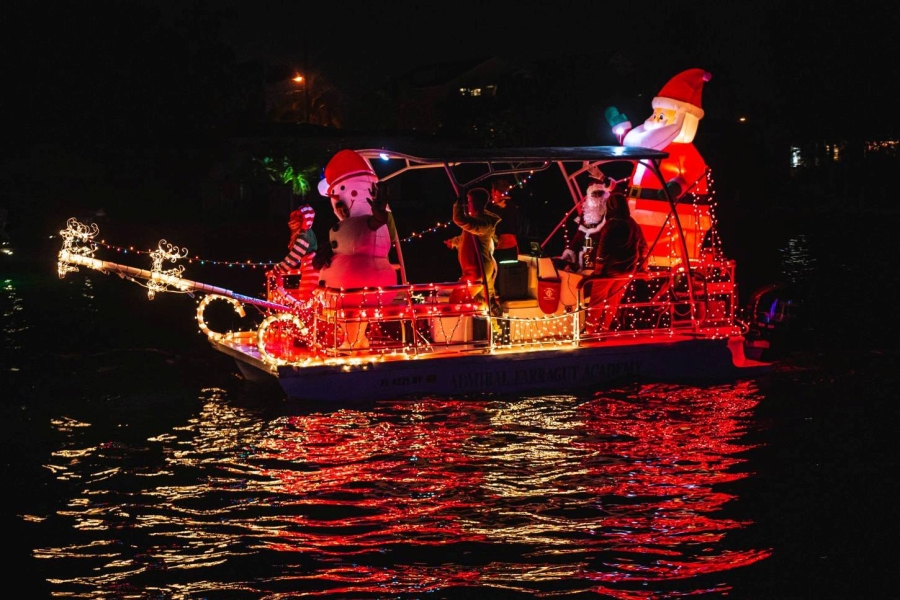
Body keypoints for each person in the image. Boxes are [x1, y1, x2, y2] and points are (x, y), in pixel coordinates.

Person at [583, 192, 648, 333]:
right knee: (613, 302)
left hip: (608, 272)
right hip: (627, 272)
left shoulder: (611, 225)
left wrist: (597, 272)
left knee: (597, 302)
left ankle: (590, 331)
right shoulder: (633, 224)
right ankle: (604, 329)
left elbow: (602, 252)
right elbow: (644, 247)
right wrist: (643, 267)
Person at [444, 187, 501, 306]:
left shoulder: (484, 223)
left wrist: (459, 201)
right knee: (474, 299)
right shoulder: (476, 220)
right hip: (475, 270)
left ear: (478, 203)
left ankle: (484, 310)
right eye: (467, 201)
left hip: (477, 271)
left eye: (469, 201)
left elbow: (460, 220)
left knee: (455, 301)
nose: (468, 205)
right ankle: (486, 309)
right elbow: (465, 238)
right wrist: (453, 242)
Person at [558, 170, 618, 273]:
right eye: (594, 194)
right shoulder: (586, 214)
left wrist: (604, 178)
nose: (598, 197)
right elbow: (579, 236)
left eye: (601, 193)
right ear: (589, 196)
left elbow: (618, 193)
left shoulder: (611, 213)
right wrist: (569, 252)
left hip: (602, 264)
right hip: (585, 260)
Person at [272, 205, 319, 303]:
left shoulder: (304, 235)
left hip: (311, 269)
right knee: (307, 298)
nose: (294, 219)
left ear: (305, 219)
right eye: (295, 215)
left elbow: (294, 256)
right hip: (310, 266)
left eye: (299, 216)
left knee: (305, 298)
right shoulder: (306, 232)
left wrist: (279, 268)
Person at [487, 179, 520, 263]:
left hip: (501, 248)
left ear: (497, 192)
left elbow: (494, 229)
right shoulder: (514, 206)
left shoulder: (497, 208)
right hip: (513, 246)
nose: (491, 194)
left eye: (492, 191)